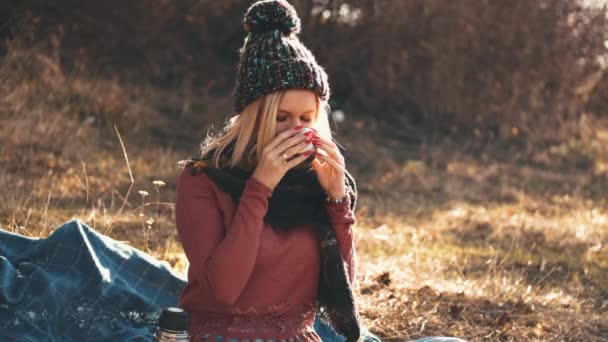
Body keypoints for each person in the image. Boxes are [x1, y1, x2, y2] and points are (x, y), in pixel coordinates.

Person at [175, 1, 467, 342]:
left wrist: (337, 200)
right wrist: (259, 188)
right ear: (254, 116)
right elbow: (224, 290)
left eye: (305, 119)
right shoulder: (203, 180)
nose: (294, 132)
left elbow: (340, 291)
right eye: (281, 118)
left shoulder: (311, 186)